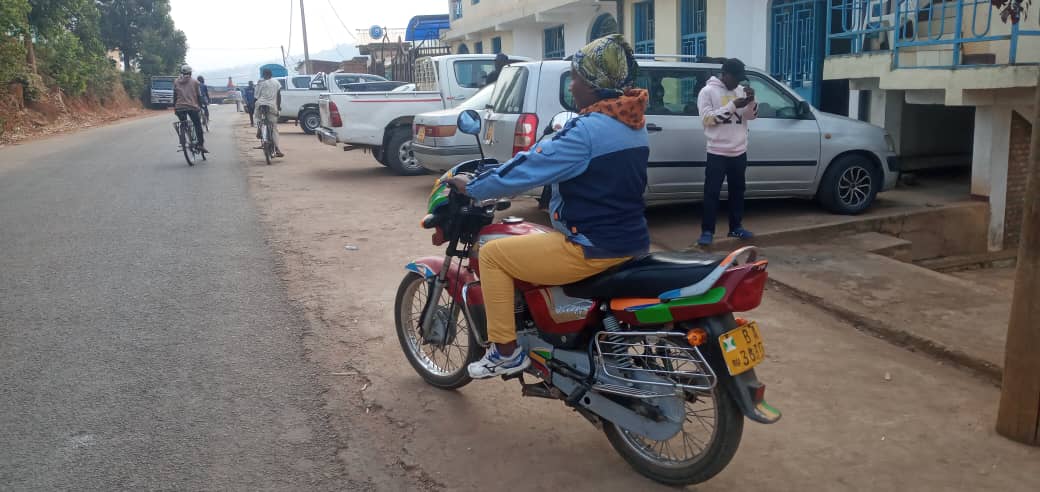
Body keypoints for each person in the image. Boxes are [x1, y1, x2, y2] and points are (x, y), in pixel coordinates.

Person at [447, 35, 650, 378]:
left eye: (575, 78)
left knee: (494, 255)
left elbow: (530, 168)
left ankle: (505, 351)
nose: (572, 85)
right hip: (629, 240)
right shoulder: (632, 123)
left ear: (593, 83)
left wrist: (477, 185)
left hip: (590, 245)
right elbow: (541, 161)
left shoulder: (588, 131)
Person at [695, 58, 758, 247]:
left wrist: (751, 101)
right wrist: (732, 106)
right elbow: (708, 119)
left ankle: (736, 226)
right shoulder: (707, 92)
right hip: (717, 151)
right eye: (735, 77)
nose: (738, 82)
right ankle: (707, 231)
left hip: (739, 151)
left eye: (741, 78)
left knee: (738, 191)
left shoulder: (739, 91)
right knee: (711, 193)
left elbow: (751, 117)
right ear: (725, 74)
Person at [174, 65, 207, 154]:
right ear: (190, 72)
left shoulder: (176, 81)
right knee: (197, 125)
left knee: (183, 123)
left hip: (179, 107)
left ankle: (184, 139)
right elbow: (199, 96)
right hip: (192, 107)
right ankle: (200, 144)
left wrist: (175, 108)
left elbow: (175, 96)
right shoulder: (195, 82)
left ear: (181, 72)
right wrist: (200, 106)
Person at [254, 68, 284, 157]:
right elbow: (279, 96)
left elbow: (256, 96)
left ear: (263, 75)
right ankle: (277, 148)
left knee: (258, 118)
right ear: (271, 75)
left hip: (261, 105)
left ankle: (259, 129)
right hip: (272, 106)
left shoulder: (260, 83)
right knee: (274, 127)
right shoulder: (276, 82)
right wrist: (278, 108)